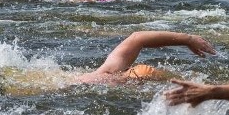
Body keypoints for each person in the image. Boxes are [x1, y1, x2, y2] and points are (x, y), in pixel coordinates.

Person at [76, 31, 216, 84]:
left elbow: (137, 37)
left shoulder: (107, 72)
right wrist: (188, 39)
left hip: (129, 78)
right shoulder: (108, 70)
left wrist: (188, 39)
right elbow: (137, 37)